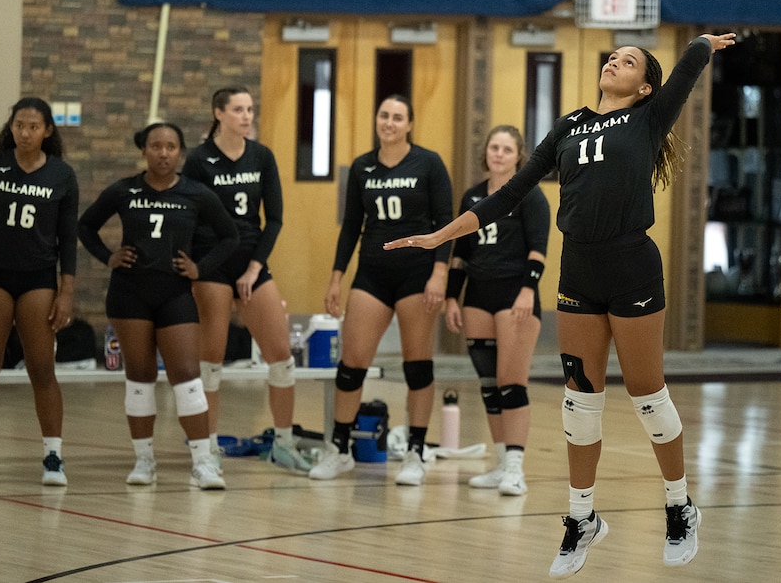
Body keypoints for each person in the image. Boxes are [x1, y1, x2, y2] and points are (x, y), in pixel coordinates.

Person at [385, 34, 736, 575]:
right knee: (580, 400)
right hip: (579, 270)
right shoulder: (569, 126)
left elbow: (688, 68)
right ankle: (581, 518)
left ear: (644, 86)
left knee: (648, 395)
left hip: (631, 266)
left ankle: (679, 504)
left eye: (628, 61)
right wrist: (440, 238)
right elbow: (508, 194)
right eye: (612, 56)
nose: (613, 61)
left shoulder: (648, 117)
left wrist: (702, 44)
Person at [78, 122, 238, 489]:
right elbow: (85, 227)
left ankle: (202, 464)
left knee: (187, 376)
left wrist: (201, 268)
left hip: (175, 294)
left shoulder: (197, 193)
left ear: (180, 152)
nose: (163, 153)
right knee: (140, 377)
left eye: (170, 146)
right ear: (144, 151)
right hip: (129, 294)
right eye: (156, 146)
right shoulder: (124, 190)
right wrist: (108, 256)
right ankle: (144, 460)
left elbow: (230, 237)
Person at [309, 94, 453, 486]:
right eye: (383, 116)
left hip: (416, 275)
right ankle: (339, 449)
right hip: (372, 274)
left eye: (397, 117)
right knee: (351, 362)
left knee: (417, 364)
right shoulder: (362, 167)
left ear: (409, 124)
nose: (389, 122)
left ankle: (415, 453)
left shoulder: (429, 163)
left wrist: (440, 273)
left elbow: (446, 223)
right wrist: (337, 276)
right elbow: (351, 226)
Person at [181, 86, 311, 473]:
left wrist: (255, 268)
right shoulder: (199, 160)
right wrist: (194, 270)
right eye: (238, 109)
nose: (246, 116)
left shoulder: (262, 156)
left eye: (250, 109)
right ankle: (206, 449)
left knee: (281, 358)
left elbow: (274, 219)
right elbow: (187, 217)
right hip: (212, 266)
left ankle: (284, 444)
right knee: (212, 361)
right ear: (218, 113)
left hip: (251, 263)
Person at [0, 97, 78, 486]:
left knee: (42, 368)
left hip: (38, 278)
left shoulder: (62, 175)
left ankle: (53, 455)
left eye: (33, 126)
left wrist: (66, 291)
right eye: (18, 125)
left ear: (47, 131)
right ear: (11, 127)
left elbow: (68, 238)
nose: (24, 132)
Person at [444, 125, 549, 497]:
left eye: (507, 149)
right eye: (494, 147)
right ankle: (501, 462)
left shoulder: (530, 197)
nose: (499, 154)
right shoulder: (472, 196)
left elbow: (539, 250)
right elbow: (461, 254)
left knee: (511, 382)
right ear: (485, 152)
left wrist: (527, 290)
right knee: (489, 385)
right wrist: (451, 297)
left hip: (514, 296)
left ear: (518, 155)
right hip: (478, 296)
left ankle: (516, 469)